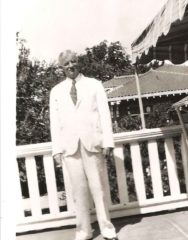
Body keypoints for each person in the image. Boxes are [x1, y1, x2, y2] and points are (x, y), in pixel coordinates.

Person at [50, 50, 118, 240]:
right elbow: (54, 122)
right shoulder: (56, 91)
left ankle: (106, 228)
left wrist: (108, 142)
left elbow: (105, 114)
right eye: (66, 64)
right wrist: (56, 149)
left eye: (73, 62)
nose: (71, 66)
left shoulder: (94, 85)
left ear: (79, 63)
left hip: (93, 143)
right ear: (61, 68)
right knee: (78, 192)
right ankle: (83, 231)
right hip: (70, 147)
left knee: (99, 188)